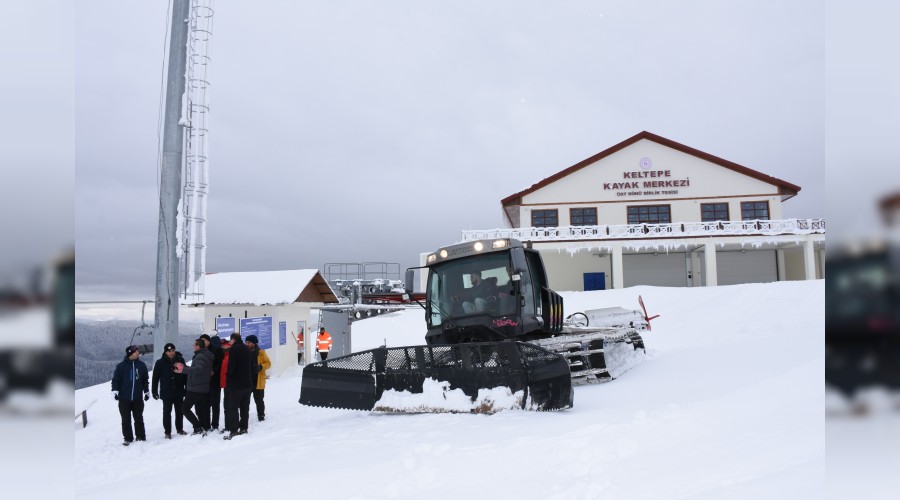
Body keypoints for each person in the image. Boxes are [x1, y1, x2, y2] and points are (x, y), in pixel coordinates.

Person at [111, 345, 150, 446]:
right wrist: (115, 391)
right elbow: (116, 380)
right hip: (124, 398)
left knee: (139, 418)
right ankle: (128, 438)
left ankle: (141, 437)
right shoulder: (121, 366)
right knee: (125, 419)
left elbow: (145, 380)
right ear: (130, 353)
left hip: (137, 397)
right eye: (135, 352)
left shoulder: (142, 365)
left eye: (137, 351)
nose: (138, 353)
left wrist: (146, 391)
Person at [174, 339, 214, 435]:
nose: (193, 347)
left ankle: (197, 427)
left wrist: (183, 370)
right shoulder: (205, 355)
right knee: (200, 409)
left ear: (198, 346)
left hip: (196, 387)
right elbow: (199, 369)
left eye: (194, 345)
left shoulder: (200, 356)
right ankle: (204, 427)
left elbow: (198, 369)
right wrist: (184, 367)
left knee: (185, 408)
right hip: (201, 386)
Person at [151, 343, 187, 439]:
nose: (171, 353)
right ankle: (167, 432)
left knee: (179, 411)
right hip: (166, 391)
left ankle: (180, 429)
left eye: (173, 351)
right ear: (165, 352)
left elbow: (186, 374)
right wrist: (154, 391)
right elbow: (155, 378)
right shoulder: (160, 363)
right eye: (169, 351)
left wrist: (187, 388)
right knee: (167, 412)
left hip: (179, 391)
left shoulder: (180, 360)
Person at [224, 332, 253, 439]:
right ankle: (244, 428)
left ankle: (234, 430)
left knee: (233, 408)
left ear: (233, 339)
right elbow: (250, 364)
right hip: (247, 383)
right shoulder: (246, 349)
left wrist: (228, 377)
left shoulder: (234, 349)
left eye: (230, 340)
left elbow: (232, 367)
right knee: (245, 407)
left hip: (236, 384)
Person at [245, 335, 271, 422]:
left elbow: (268, 363)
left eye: (249, 342)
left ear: (253, 343)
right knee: (246, 400)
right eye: (246, 342)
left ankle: (261, 415)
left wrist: (260, 367)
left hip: (258, 380)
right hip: (248, 380)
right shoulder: (245, 352)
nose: (247, 344)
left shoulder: (261, 352)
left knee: (259, 400)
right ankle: (245, 416)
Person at [206, 334, 224, 430]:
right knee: (214, 404)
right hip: (215, 381)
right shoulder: (217, 350)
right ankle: (214, 424)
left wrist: (214, 370)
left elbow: (220, 363)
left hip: (213, 380)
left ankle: (212, 424)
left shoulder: (216, 350)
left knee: (211, 403)